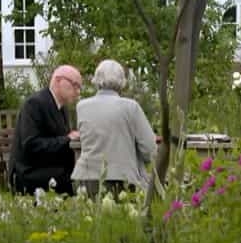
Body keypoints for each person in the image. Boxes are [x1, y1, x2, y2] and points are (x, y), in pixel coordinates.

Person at [71, 59, 157, 197]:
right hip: (122, 179)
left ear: (96, 79)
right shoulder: (131, 107)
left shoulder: (82, 106)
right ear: (122, 81)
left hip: (86, 177)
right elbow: (150, 149)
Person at [9, 65, 83, 196]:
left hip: (48, 167)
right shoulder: (34, 104)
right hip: (29, 172)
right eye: (74, 85)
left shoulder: (62, 108)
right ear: (58, 80)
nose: (78, 92)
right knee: (75, 179)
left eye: (79, 87)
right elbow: (31, 145)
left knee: (83, 172)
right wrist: (68, 139)